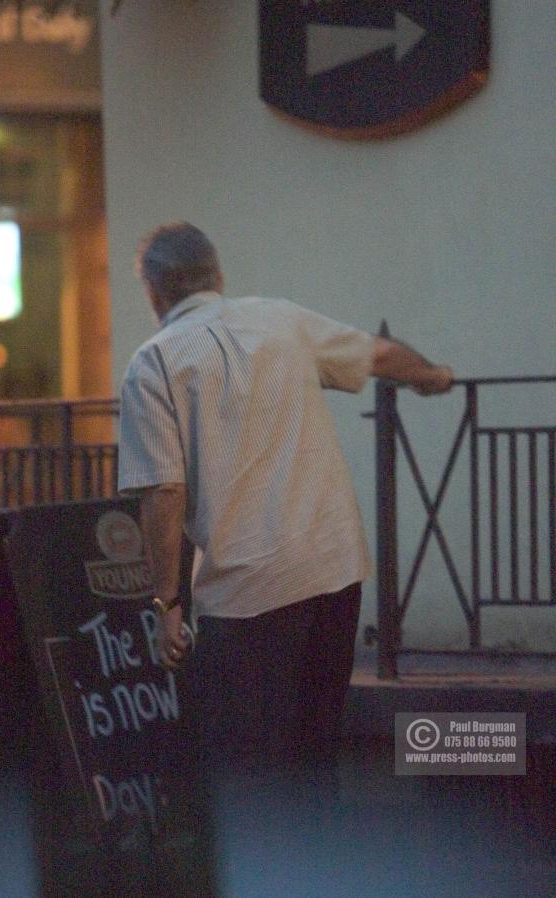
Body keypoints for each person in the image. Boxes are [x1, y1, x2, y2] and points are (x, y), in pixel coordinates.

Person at [118, 221, 452, 776]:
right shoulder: (280, 319)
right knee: (316, 748)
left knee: (246, 766)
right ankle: (315, 857)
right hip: (334, 567)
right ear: (217, 274)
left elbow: (163, 492)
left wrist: (166, 604)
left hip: (247, 588)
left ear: (153, 292)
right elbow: (383, 353)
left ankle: (265, 861)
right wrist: (432, 375)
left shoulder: (153, 363)